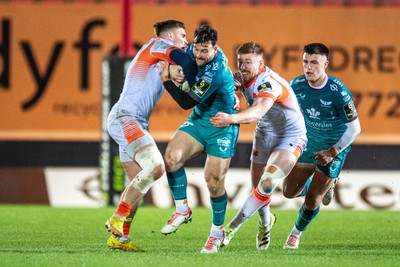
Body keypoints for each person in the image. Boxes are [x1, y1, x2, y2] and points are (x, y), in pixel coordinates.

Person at [104, 19, 198, 252]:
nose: (185, 40)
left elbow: (185, 89)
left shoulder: (161, 60)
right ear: (169, 38)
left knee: (137, 187)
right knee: (156, 167)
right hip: (127, 118)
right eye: (182, 35)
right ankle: (117, 216)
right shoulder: (156, 45)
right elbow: (186, 60)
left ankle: (120, 238)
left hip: (133, 121)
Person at [210, 42, 307, 250]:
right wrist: (232, 94)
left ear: (261, 63)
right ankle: (265, 224)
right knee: (258, 189)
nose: (243, 67)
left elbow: (257, 112)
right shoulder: (240, 77)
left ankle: (230, 229)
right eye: (240, 62)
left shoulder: (268, 83)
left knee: (267, 182)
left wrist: (230, 118)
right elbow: (229, 85)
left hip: (290, 136)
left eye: (248, 62)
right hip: (264, 135)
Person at [159, 24, 239, 254]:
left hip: (221, 126)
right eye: (197, 49)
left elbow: (185, 102)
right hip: (200, 119)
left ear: (215, 49)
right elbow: (175, 54)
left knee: (213, 182)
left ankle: (216, 232)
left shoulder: (216, 73)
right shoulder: (192, 49)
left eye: (205, 51)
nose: (199, 55)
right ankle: (182, 209)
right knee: (171, 157)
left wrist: (167, 79)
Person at [281, 42, 361, 249]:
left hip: (333, 148)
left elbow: (355, 129)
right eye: (305, 61)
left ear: (325, 64)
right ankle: (319, 184)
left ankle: (295, 234)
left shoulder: (338, 92)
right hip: (308, 145)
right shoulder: (296, 85)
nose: (308, 67)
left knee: (313, 199)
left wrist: (332, 152)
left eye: (314, 62)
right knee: (288, 192)